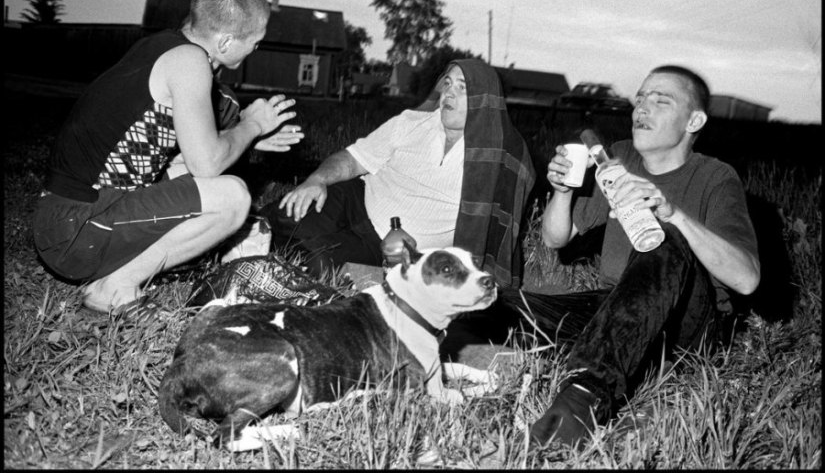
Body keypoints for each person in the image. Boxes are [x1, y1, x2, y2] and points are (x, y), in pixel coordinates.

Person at [33, 0, 304, 321]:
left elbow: (184, 152)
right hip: (76, 229)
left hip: (64, 220)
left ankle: (118, 274)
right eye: (255, 41)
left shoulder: (164, 46)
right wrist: (252, 124)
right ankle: (112, 289)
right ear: (225, 43)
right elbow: (207, 164)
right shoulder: (190, 63)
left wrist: (251, 139)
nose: (256, 49)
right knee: (233, 197)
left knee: (189, 172)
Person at [520, 64, 760, 449]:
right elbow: (554, 239)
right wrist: (563, 188)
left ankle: (582, 399)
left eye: (660, 100)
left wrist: (671, 213)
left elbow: (747, 278)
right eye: (641, 98)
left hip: (684, 323)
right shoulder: (617, 160)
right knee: (507, 306)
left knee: (664, 237)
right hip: (612, 311)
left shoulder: (717, 178)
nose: (642, 108)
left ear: (693, 120)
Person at [260, 58, 536, 290]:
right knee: (280, 217)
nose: (448, 93)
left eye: (462, 88)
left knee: (320, 265)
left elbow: (497, 233)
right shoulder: (411, 122)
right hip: (356, 199)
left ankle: (290, 268)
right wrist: (316, 180)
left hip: (393, 250)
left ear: (484, 101)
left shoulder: (496, 159)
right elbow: (354, 159)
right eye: (447, 83)